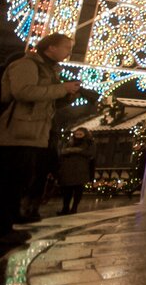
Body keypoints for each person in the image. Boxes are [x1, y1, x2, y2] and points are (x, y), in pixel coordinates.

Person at [0, 33, 80, 245]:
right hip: (17, 131)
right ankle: (3, 228)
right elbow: (23, 92)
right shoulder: (26, 65)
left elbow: (46, 101)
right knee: (10, 179)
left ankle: (13, 217)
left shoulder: (50, 70)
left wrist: (66, 96)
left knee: (22, 179)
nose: (68, 52)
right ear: (50, 48)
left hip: (36, 133)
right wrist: (61, 88)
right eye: (65, 47)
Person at [57, 127, 96, 215]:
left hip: (81, 170)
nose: (78, 136)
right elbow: (62, 152)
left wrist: (77, 151)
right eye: (76, 134)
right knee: (67, 191)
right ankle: (65, 208)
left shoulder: (89, 143)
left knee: (77, 190)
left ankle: (74, 208)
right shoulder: (69, 142)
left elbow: (91, 154)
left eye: (80, 134)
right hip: (68, 170)